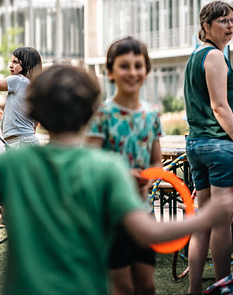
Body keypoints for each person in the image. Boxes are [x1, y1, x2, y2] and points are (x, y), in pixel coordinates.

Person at [0, 65, 233, 295]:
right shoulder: (107, 168)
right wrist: (207, 215)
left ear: (35, 110)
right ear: (91, 111)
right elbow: (148, 231)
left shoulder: (14, 162)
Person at [184, 0, 233, 295]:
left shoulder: (196, 56)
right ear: (206, 25)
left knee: (204, 222)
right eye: (223, 20)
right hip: (219, 146)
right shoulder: (213, 56)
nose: (230, 25)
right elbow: (220, 107)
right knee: (221, 224)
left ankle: (195, 289)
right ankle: (224, 288)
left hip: (197, 144)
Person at [86, 37, 162, 295]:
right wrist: (121, 176)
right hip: (111, 214)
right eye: (124, 66)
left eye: (138, 66)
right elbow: (90, 162)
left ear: (146, 71)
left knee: (147, 286)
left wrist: (147, 179)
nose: (132, 72)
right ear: (110, 72)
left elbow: (156, 161)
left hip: (142, 210)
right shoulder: (102, 114)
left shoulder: (152, 114)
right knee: (123, 288)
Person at [0, 44, 42, 148]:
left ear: (27, 65)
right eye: (11, 61)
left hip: (20, 141)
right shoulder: (32, 85)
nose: (10, 65)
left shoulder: (18, 80)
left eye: (15, 62)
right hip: (21, 141)